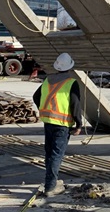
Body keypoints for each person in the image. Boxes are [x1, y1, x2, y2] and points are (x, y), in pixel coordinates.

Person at [32, 52, 83, 201]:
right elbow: (75, 105)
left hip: (48, 121)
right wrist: (79, 124)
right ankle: (50, 187)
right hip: (62, 124)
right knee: (56, 155)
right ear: (70, 67)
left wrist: (44, 108)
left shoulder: (48, 80)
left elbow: (36, 97)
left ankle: (51, 181)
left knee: (49, 152)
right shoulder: (71, 82)